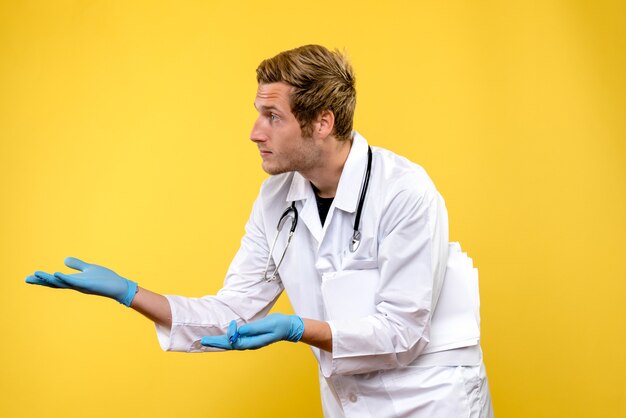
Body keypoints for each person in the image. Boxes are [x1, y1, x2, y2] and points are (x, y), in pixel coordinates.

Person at [26, 44, 493, 417]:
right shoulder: (277, 200)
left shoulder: (404, 193)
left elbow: (402, 333)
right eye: (257, 113)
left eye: (273, 116)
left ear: (322, 122)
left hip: (433, 399)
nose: (254, 132)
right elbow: (235, 311)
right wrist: (130, 294)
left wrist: (297, 328)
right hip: (351, 405)